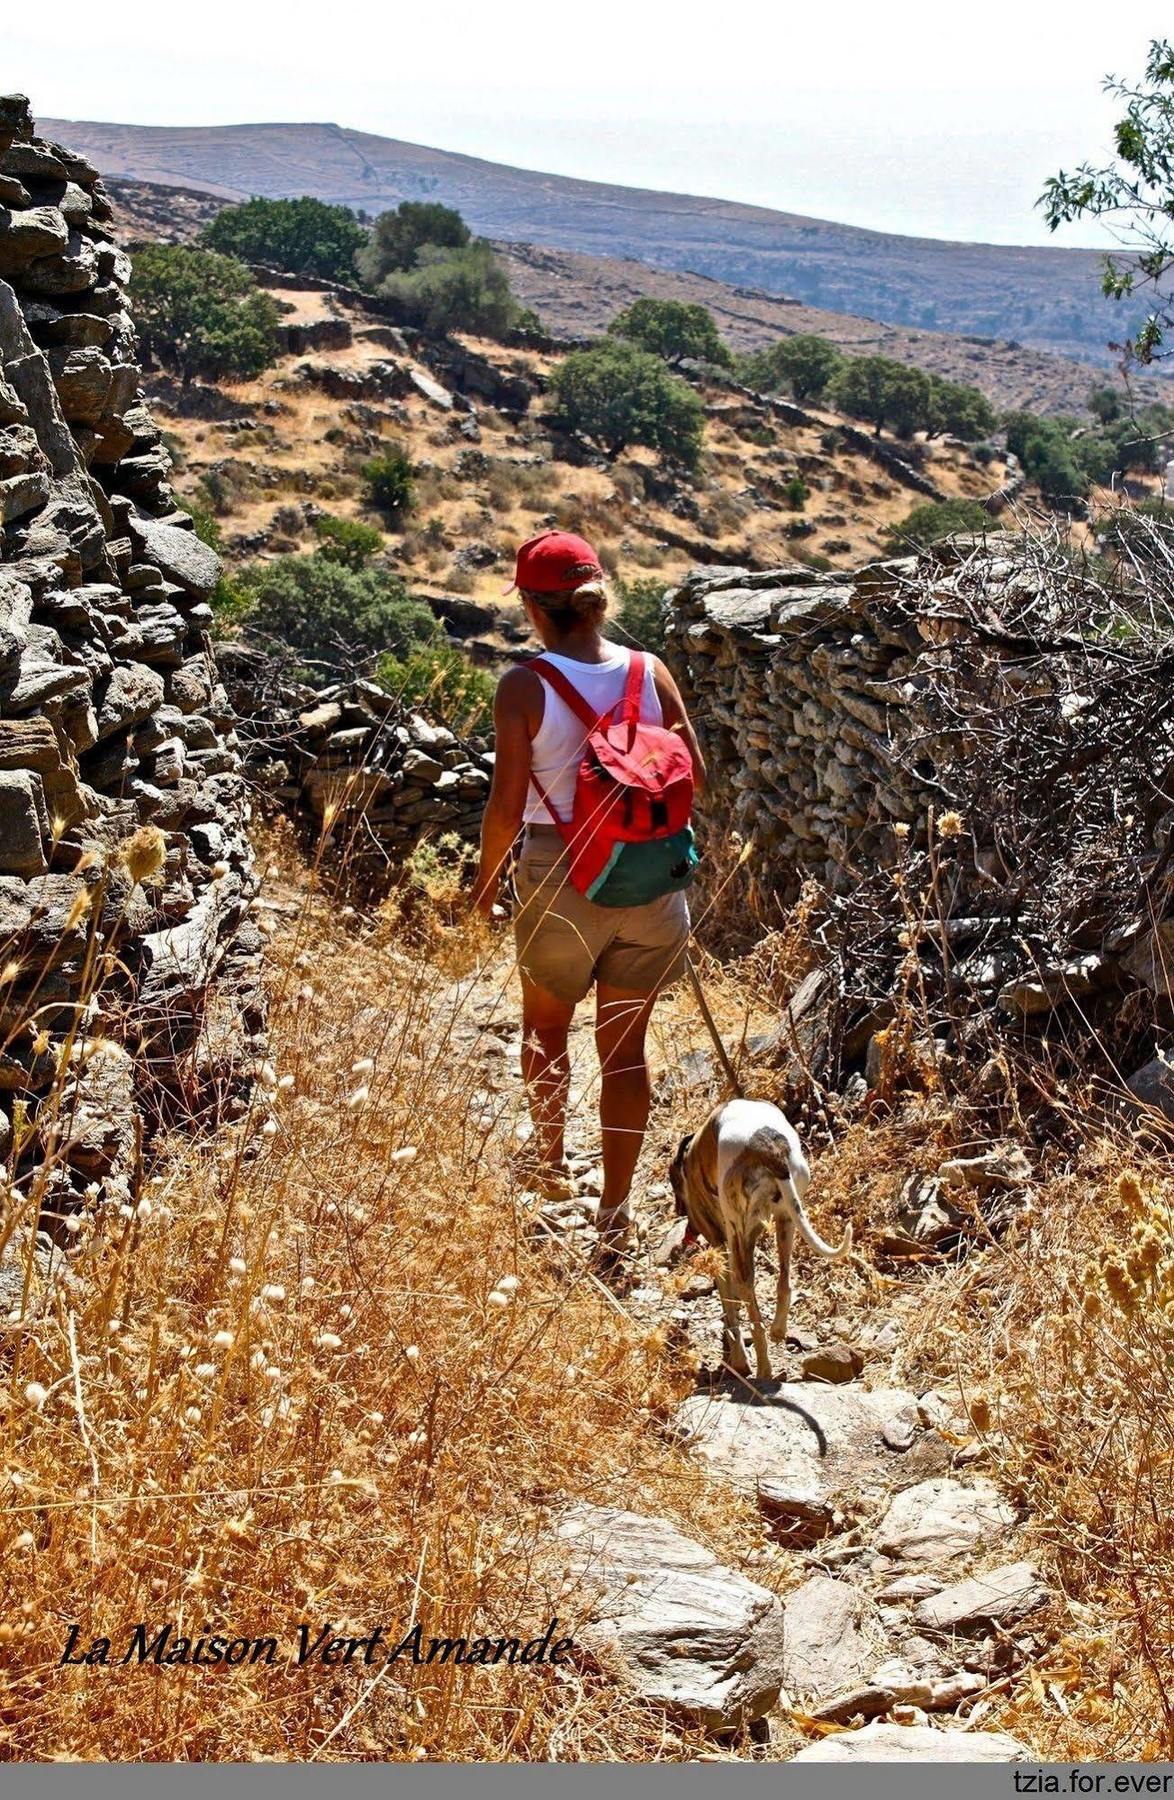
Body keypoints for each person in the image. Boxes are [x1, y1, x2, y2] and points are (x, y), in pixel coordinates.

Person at [473, 530, 706, 1267]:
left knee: (545, 1030)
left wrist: (483, 885)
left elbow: (507, 808)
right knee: (626, 1051)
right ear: (598, 598)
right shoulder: (650, 671)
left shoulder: (525, 685)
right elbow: (691, 770)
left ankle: (548, 1164)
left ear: (536, 611)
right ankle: (614, 1209)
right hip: (649, 881)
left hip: (560, 873)